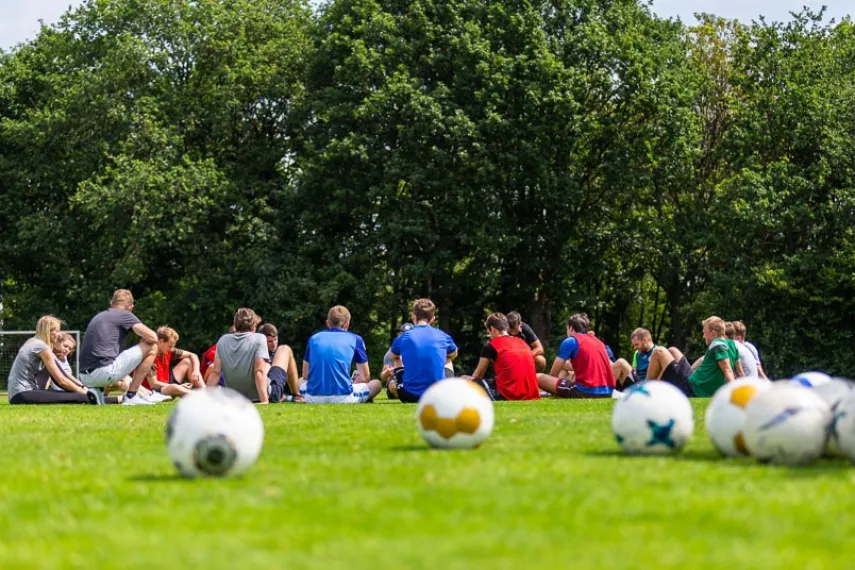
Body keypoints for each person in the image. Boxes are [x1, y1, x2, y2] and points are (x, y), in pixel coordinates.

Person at [78, 289, 158, 406]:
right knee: (152, 347)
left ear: (111, 304)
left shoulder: (99, 316)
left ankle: (97, 392)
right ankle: (132, 395)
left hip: (84, 376)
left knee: (105, 356)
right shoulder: (125, 315)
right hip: (104, 372)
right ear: (131, 307)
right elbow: (153, 337)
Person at [207, 308, 300, 403]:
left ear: (235, 324)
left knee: (268, 366)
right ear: (254, 326)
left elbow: (215, 373)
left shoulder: (222, 340)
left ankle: (293, 395)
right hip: (264, 395)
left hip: (236, 396)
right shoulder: (259, 339)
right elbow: (258, 371)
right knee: (284, 349)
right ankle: (297, 395)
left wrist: (205, 399)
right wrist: (264, 400)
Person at [7, 316, 98, 405]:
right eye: (57, 331)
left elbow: (62, 373)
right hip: (23, 394)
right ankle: (108, 400)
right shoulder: (42, 347)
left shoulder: (32, 341)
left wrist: (82, 387)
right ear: (48, 331)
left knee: (75, 394)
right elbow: (61, 381)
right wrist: (83, 391)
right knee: (79, 396)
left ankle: (99, 397)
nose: (59, 334)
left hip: (18, 394)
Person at [300, 305, 381, 404]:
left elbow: (305, 375)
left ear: (327, 323)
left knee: (299, 381)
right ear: (347, 324)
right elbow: (365, 377)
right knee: (377, 384)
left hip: (312, 398)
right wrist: (352, 383)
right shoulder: (356, 339)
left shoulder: (313, 338)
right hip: (343, 397)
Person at [388, 298, 459, 403]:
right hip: (438, 396)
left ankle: (401, 386)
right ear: (433, 319)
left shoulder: (403, 337)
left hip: (409, 395)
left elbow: (392, 356)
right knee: (448, 358)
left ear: (413, 316)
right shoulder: (443, 336)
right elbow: (454, 354)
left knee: (396, 360)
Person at [657, 316, 743, 397]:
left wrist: (735, 395)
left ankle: (646, 391)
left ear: (713, 333)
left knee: (659, 351)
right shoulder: (733, 345)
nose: (703, 336)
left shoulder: (717, 344)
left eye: (704, 333)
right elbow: (740, 373)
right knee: (672, 350)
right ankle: (653, 388)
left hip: (692, 388)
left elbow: (727, 370)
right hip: (693, 380)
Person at [463, 313, 540, 401]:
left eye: (488, 331)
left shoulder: (491, 346)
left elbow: (477, 376)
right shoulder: (522, 342)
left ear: (492, 329)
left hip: (509, 395)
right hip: (531, 394)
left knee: (464, 380)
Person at [537, 313, 616, 398]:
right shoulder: (599, 342)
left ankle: (551, 394)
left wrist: (552, 387)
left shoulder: (571, 340)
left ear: (570, 328)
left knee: (537, 377)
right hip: (608, 391)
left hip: (585, 391)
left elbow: (553, 373)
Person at [142, 326, 204, 399]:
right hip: (156, 390)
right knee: (174, 387)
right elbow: (154, 384)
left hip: (167, 382)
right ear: (161, 341)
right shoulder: (150, 355)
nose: (171, 349)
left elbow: (192, 355)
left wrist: (196, 371)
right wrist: (179, 387)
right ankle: (200, 397)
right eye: (169, 346)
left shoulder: (168, 350)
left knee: (187, 361)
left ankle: (205, 391)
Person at [258, 322, 300, 398]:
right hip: (269, 390)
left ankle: (295, 394)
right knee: (285, 348)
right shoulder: (259, 354)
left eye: (275, 340)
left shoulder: (277, 355)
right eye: (270, 341)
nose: (274, 344)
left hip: (273, 389)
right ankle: (297, 395)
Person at [382, 322, 414, 399]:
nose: (403, 336)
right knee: (393, 383)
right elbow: (383, 377)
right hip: (396, 380)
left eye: (406, 334)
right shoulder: (391, 353)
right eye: (401, 333)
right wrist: (387, 372)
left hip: (412, 379)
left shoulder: (418, 351)